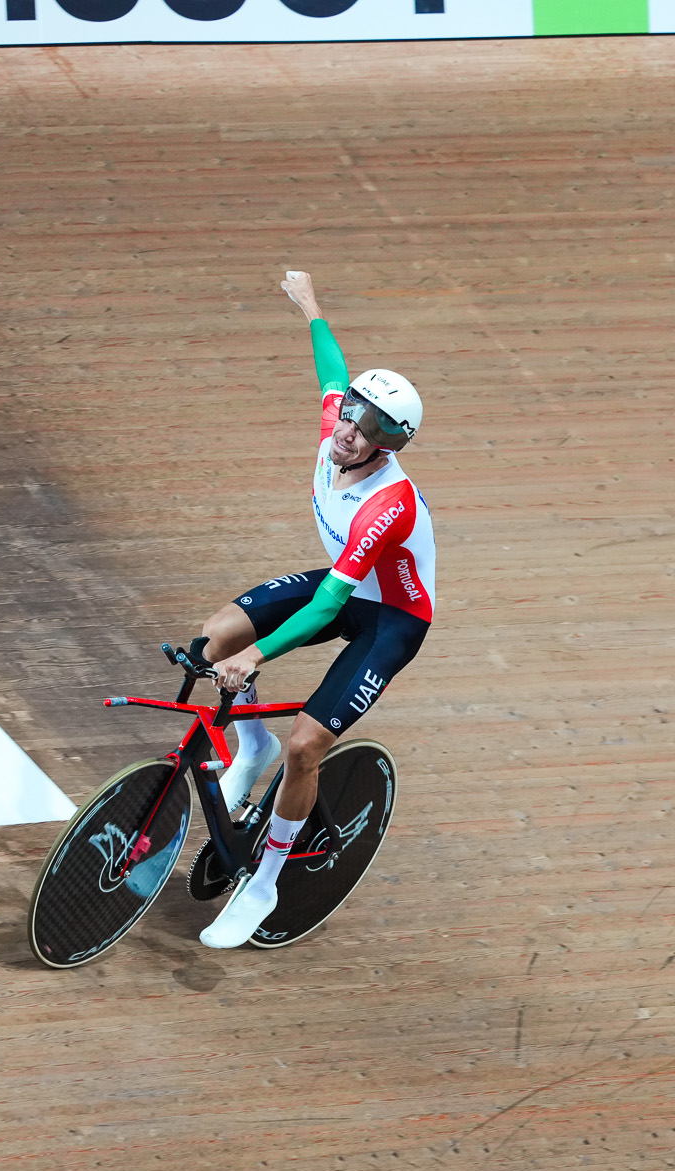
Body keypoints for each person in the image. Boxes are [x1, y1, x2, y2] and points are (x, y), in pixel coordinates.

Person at [195, 270, 437, 949]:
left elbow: (332, 600)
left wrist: (261, 654)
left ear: (388, 444)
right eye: (352, 412)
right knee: (210, 641)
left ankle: (266, 880)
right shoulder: (338, 423)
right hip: (346, 583)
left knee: (307, 745)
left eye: (369, 427)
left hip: (389, 619)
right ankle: (251, 745)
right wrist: (311, 307)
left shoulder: (389, 504)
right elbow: (331, 370)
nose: (350, 430)